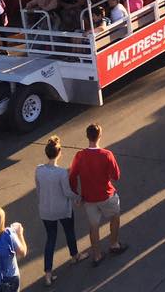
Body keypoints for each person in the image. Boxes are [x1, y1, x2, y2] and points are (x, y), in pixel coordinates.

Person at [68, 123, 126, 265]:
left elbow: (72, 176)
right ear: (100, 136)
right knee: (115, 217)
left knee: (93, 227)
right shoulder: (107, 155)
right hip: (107, 196)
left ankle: (97, 255)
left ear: (87, 136)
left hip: (89, 199)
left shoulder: (80, 156)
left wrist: (77, 194)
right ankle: (114, 244)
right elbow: (116, 176)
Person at [36, 135, 88, 286]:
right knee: (69, 231)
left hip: (46, 211)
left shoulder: (39, 170)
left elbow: (39, 190)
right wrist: (78, 197)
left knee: (50, 239)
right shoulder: (61, 173)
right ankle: (74, 255)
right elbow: (67, 192)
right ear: (59, 153)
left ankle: (48, 273)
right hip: (62, 209)